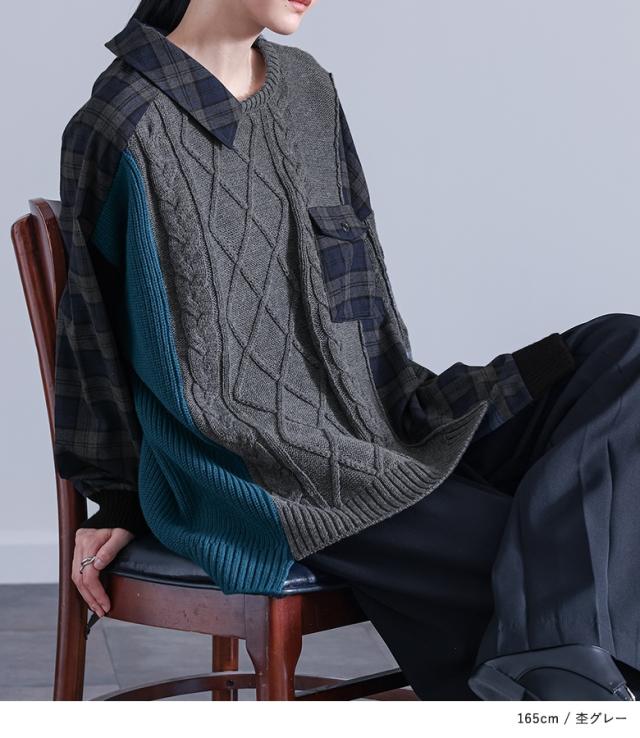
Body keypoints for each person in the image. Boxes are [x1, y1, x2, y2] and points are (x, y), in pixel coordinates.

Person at [53, 0, 640, 700]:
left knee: (623, 348)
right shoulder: (120, 124)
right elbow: (90, 334)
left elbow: (361, 287)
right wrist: (118, 500)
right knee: (557, 551)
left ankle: (554, 671)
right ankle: (562, 684)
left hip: (390, 419)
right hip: (267, 474)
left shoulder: (308, 89)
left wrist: (410, 417)